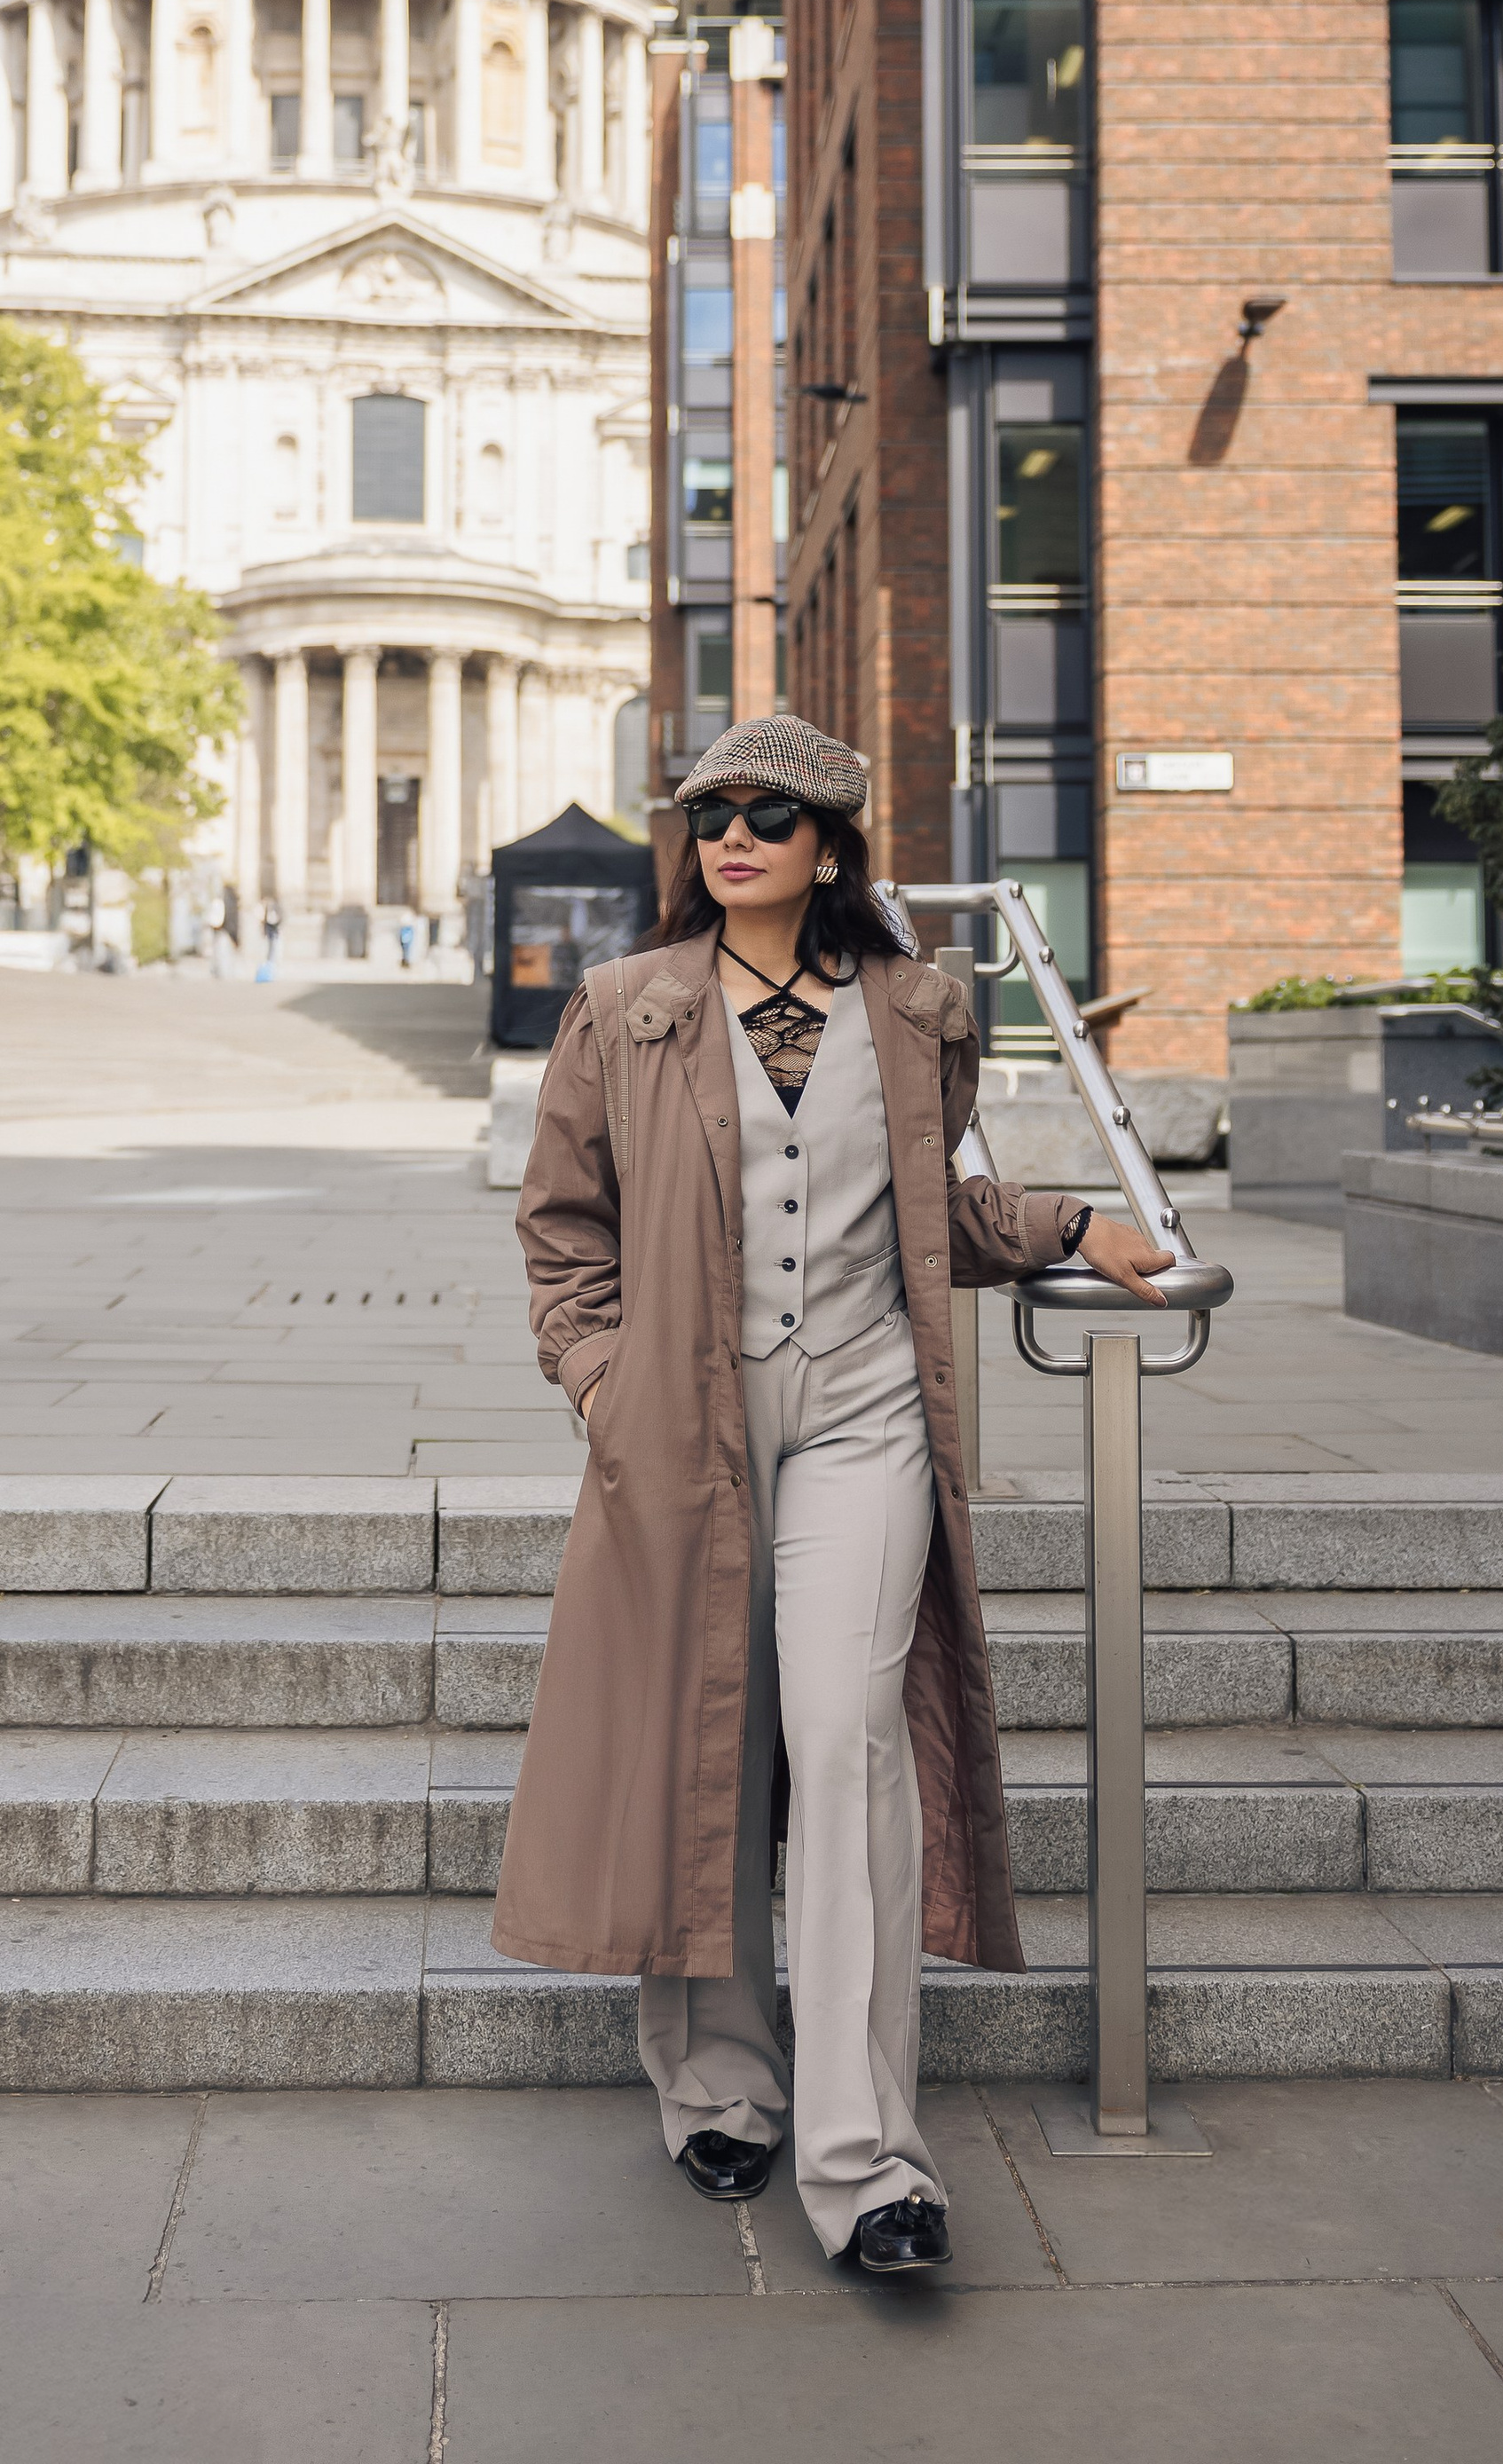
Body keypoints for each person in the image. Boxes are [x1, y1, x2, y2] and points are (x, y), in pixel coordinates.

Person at [492, 714, 1169, 2277]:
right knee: (705, 1735)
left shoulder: (921, 1010)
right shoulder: (624, 1009)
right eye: (711, 812)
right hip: (681, 1417)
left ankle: (870, 2163)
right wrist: (599, 1378)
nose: (733, 836)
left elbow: (933, 1204)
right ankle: (720, 2085)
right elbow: (560, 1227)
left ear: (832, 847)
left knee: (851, 1737)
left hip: (866, 1403)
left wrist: (1077, 1223)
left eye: (770, 815)